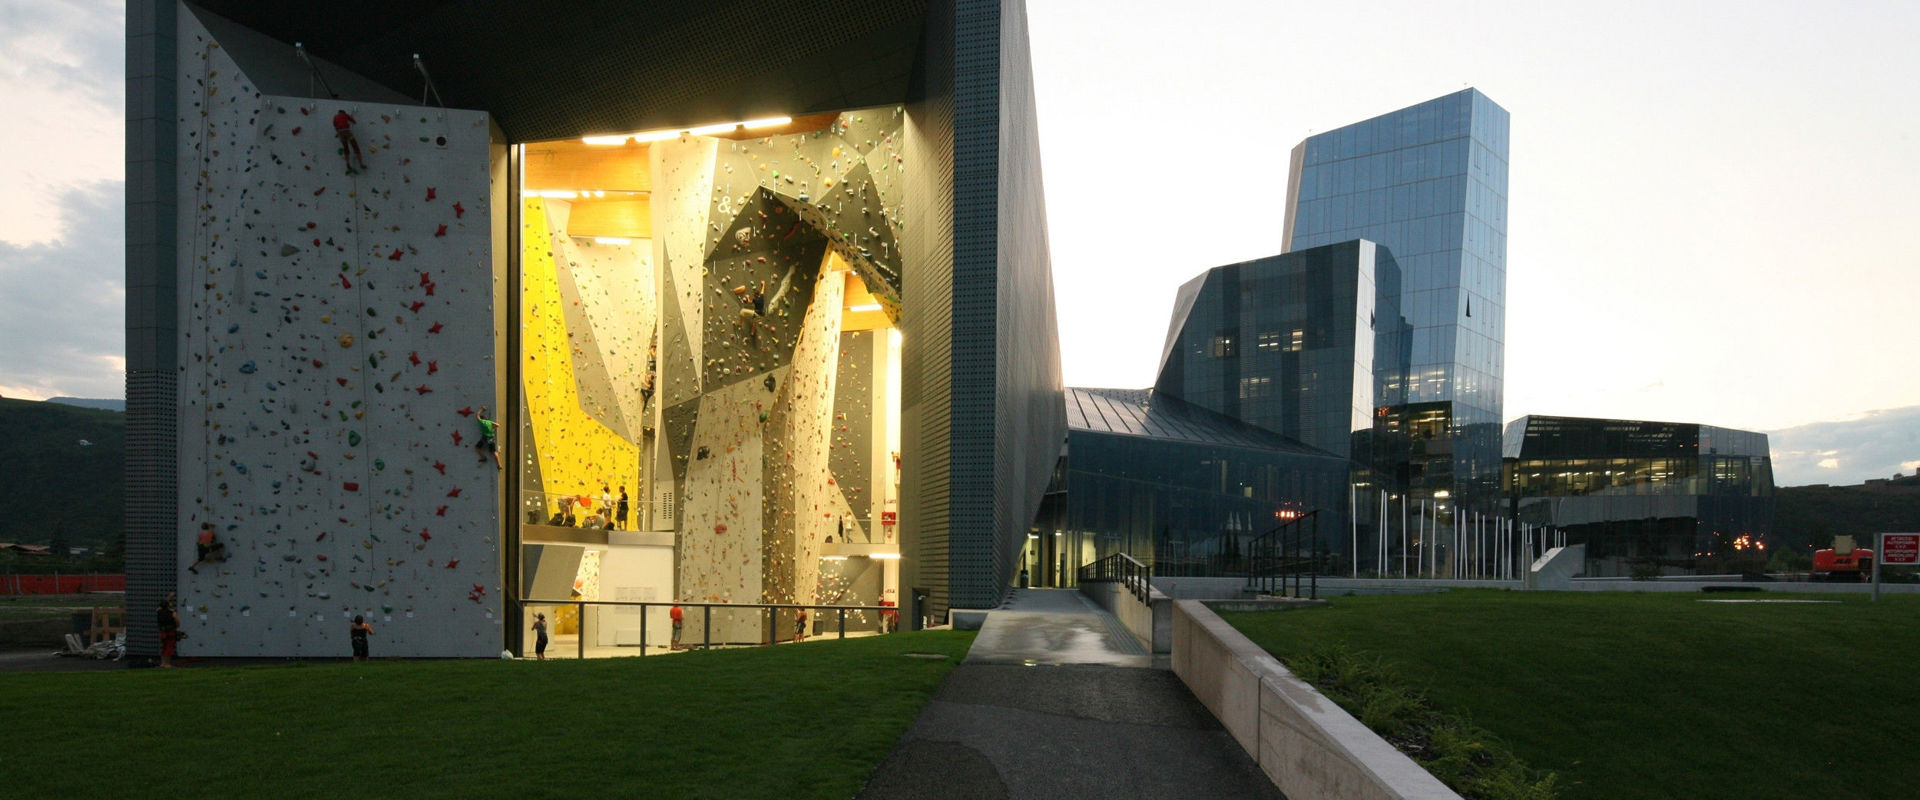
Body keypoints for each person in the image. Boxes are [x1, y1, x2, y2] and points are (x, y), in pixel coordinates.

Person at [156, 593, 181, 668]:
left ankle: (163, 663)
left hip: (163, 632)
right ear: (168, 605)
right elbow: (178, 623)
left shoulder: (159, 611)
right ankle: (167, 664)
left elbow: (161, 605)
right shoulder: (173, 613)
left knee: (164, 647)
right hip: (171, 632)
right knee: (169, 647)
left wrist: (169, 597)